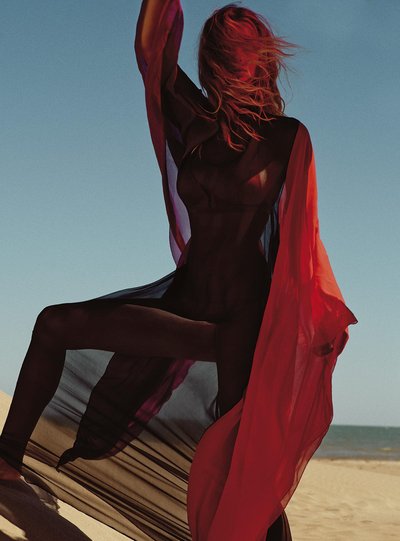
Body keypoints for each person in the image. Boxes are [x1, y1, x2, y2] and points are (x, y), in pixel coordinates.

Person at [0, 1, 358, 540]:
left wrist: (317, 318)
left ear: (255, 62)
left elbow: (302, 241)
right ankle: (6, 460)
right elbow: (150, 50)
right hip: (185, 305)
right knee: (55, 324)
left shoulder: (287, 137)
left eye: (235, 55)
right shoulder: (193, 121)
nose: (229, 67)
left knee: (242, 468)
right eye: (221, 55)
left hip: (242, 327)